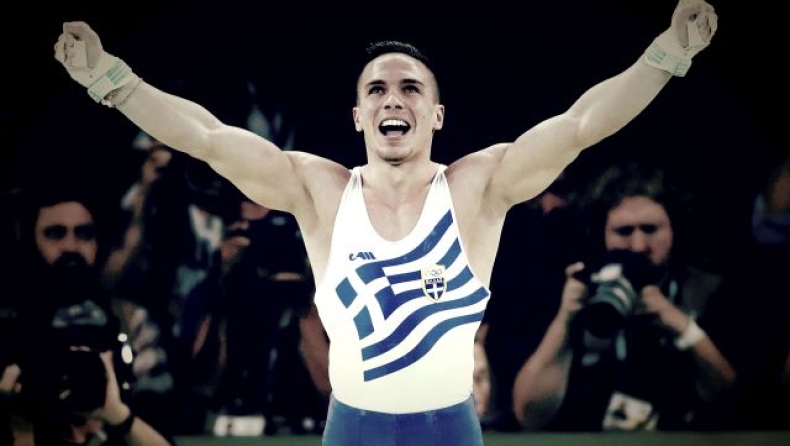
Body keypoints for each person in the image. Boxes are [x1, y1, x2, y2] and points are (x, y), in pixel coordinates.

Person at [52, 1, 718, 444]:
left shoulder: (477, 187)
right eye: (376, 89)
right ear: (357, 117)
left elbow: (579, 126)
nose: (392, 99)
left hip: (449, 429)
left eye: (410, 88)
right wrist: (112, 79)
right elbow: (207, 138)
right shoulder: (319, 191)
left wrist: (665, 54)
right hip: (353, 428)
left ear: (436, 115)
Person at [511, 161, 738, 432]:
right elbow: (530, 414)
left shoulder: (706, 292)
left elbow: (735, 403)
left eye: (650, 229)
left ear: (673, 230)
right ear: (602, 234)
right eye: (624, 231)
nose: (638, 246)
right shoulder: (576, 290)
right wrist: (565, 320)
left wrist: (682, 326)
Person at [0, 189, 174, 445]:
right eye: (55, 234)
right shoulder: (8, 328)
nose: (71, 247)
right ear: (29, 242)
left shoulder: (130, 321)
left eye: (84, 234)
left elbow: (162, 427)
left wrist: (118, 415)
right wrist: (17, 419)